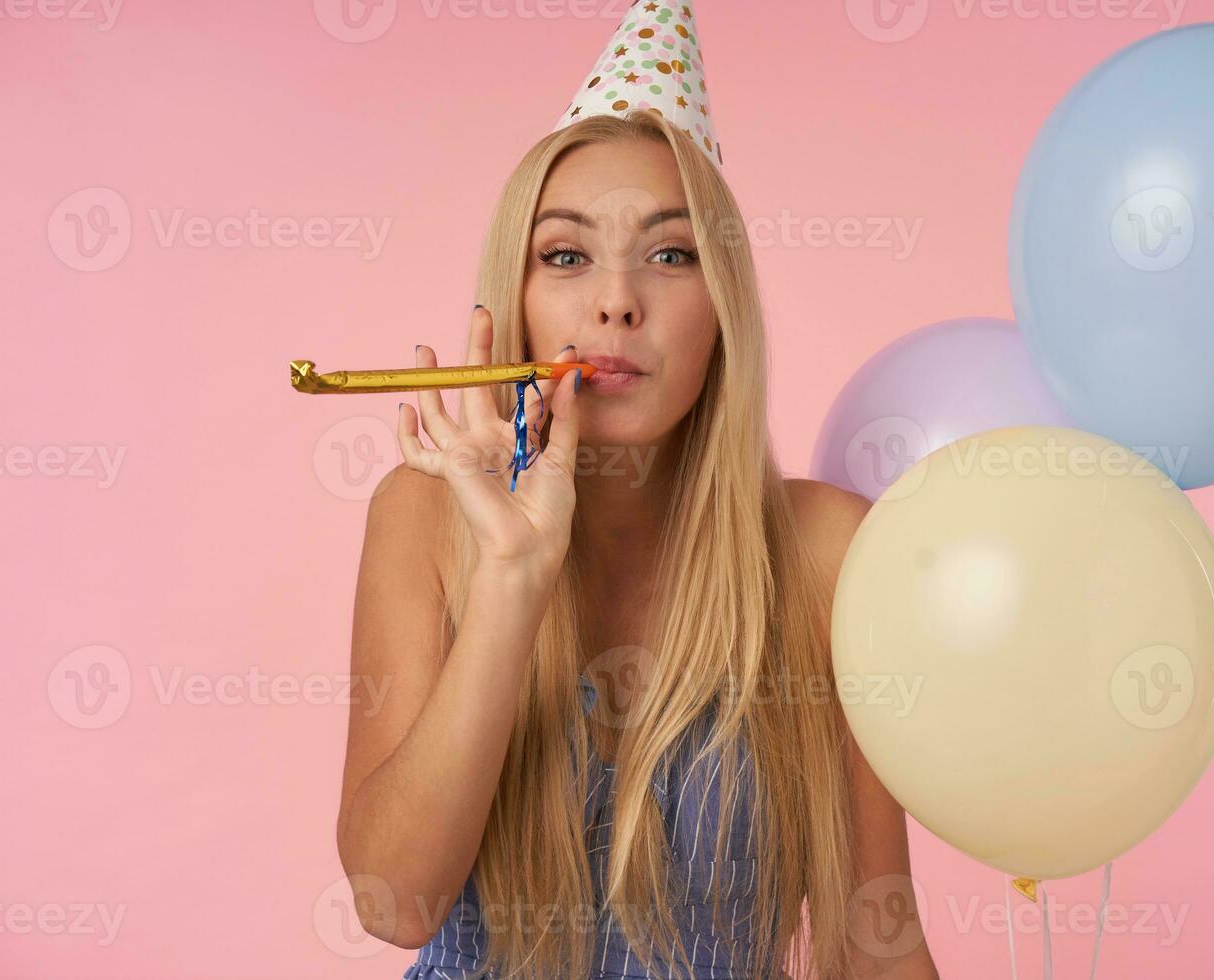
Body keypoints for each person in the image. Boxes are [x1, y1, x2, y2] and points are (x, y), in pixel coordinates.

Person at [335, 4, 940, 978]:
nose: (616, 299)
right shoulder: (423, 515)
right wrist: (510, 581)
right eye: (567, 255)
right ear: (519, 300)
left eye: (670, 253)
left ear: (724, 308)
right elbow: (392, 899)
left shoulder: (828, 551)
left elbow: (875, 937)